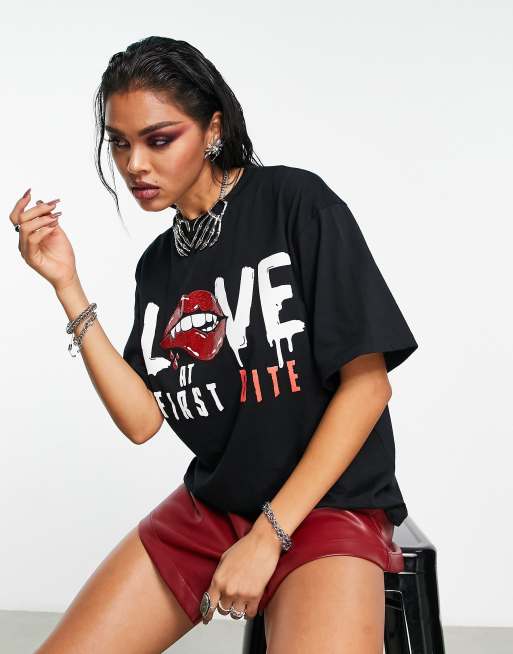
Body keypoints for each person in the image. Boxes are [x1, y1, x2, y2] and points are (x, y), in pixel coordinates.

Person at [11, 36, 418, 654]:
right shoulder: (159, 267)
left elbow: (368, 389)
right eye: (119, 143)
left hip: (327, 507)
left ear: (213, 129)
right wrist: (67, 285)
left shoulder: (295, 205)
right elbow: (143, 420)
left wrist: (268, 536)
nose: (134, 165)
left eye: (159, 139)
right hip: (214, 511)